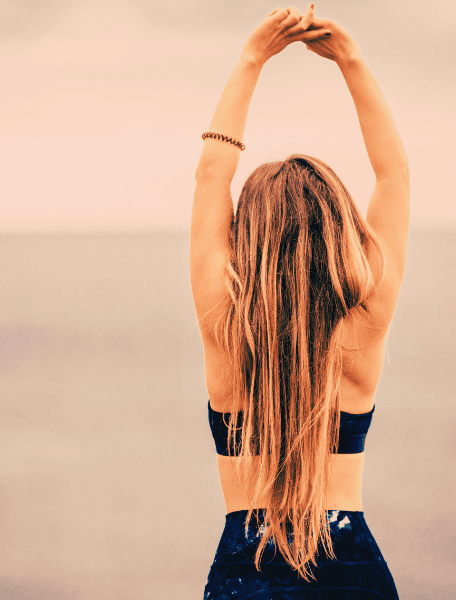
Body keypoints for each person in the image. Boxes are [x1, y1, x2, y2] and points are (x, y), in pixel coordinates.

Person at [190, 5, 409, 598]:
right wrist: (351, 61)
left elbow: (212, 176)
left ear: (247, 238)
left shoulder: (225, 326)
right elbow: (393, 177)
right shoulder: (365, 325)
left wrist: (251, 59)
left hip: (246, 572)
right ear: (341, 229)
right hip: (353, 573)